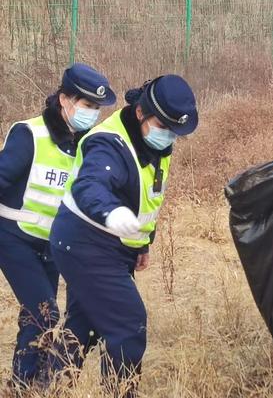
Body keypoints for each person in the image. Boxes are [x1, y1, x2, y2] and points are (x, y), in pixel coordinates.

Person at [49, 74, 198, 396]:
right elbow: (91, 185)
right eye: (164, 125)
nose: (169, 135)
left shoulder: (151, 140)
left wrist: (142, 242)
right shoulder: (107, 142)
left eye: (175, 130)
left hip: (112, 244)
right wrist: (112, 212)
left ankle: (46, 387)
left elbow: (147, 196)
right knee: (129, 324)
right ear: (141, 112)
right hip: (86, 241)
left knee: (83, 325)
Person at [0, 63, 116, 390]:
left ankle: (24, 386)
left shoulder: (84, 145)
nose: (91, 113)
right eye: (85, 105)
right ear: (64, 99)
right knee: (46, 314)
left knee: (35, 317)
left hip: (50, 247)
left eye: (96, 108)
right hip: (13, 238)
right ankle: (25, 386)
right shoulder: (29, 134)